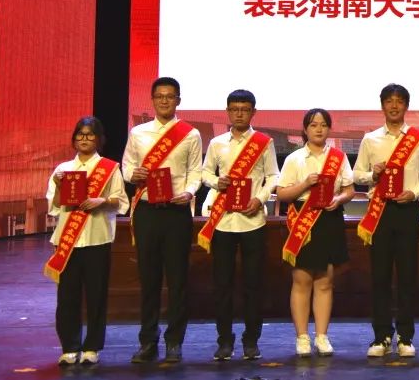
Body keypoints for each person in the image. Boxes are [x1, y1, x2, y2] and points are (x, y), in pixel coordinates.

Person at [122, 77, 203, 364]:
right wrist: (133, 174)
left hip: (176, 212)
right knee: (149, 279)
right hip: (147, 211)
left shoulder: (190, 134)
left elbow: (195, 172)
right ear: (153, 100)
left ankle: (174, 341)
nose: (165, 101)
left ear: (178, 100)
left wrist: (189, 192)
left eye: (170, 96)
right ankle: (148, 341)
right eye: (160, 96)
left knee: (178, 280)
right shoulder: (138, 133)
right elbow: (127, 166)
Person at [353, 83, 419, 358]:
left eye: (399, 101)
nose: (394, 105)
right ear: (382, 106)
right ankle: (381, 336)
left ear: (406, 106)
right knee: (380, 276)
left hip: (407, 209)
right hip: (380, 212)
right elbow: (357, 174)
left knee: (407, 275)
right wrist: (372, 175)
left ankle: (406, 337)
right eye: (389, 101)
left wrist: (415, 192)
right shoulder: (370, 139)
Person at [199, 89, 280, 361]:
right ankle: (224, 340)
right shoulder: (217, 143)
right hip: (223, 221)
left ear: (253, 112)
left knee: (253, 285)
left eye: (244, 109)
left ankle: (251, 340)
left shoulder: (264, 142)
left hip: (252, 221)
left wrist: (260, 199)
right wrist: (216, 182)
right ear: (227, 112)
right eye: (234, 109)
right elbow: (205, 173)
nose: (239, 114)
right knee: (222, 285)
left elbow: (273, 176)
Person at [45, 117, 129, 366]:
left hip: (97, 239)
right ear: (74, 139)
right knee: (67, 297)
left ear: (99, 139)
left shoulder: (109, 168)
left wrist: (101, 201)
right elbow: (55, 207)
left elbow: (121, 202)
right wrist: (59, 186)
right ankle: (69, 347)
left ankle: (92, 347)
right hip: (68, 241)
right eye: (80, 134)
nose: (84, 139)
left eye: (90, 134)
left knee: (96, 295)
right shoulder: (62, 170)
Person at [276, 108, 355, 358]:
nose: (319, 129)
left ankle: (321, 336)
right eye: (313, 125)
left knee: (325, 280)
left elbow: (349, 189)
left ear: (329, 128)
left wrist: (339, 199)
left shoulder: (339, 157)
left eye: (323, 125)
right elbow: (282, 194)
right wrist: (305, 184)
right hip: (303, 220)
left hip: (329, 219)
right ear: (305, 129)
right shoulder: (295, 159)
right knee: (302, 280)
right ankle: (302, 337)